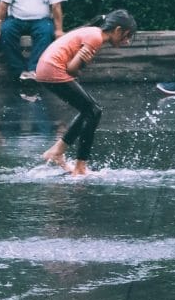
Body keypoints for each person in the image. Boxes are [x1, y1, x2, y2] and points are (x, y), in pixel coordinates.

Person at [34, 10, 137, 176]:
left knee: (89, 110)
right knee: (94, 111)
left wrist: (80, 67)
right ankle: (80, 166)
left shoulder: (93, 34)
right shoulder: (95, 37)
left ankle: (57, 152)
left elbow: (72, 69)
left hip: (46, 69)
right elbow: (72, 69)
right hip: (52, 69)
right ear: (117, 30)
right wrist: (81, 67)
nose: (127, 41)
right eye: (127, 36)